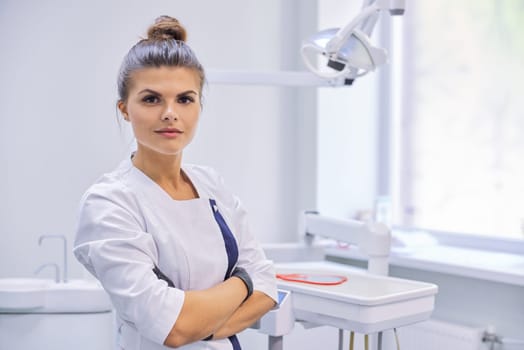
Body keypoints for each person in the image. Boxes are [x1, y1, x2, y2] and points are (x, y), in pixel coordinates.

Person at [73, 16, 278, 350]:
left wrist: (199, 323)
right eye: (152, 99)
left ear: (199, 105)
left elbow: (268, 284)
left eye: (185, 99)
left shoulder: (212, 184)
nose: (170, 113)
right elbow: (175, 329)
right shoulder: (109, 203)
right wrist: (244, 280)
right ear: (125, 109)